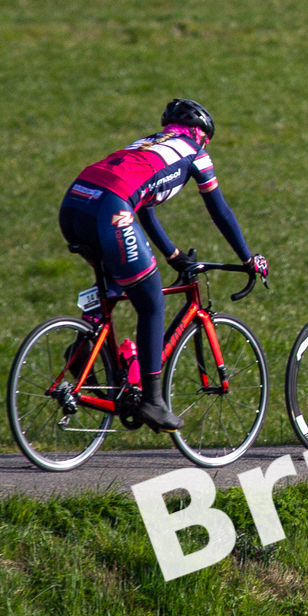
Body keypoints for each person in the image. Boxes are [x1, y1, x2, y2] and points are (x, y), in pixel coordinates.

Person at [59, 98, 267, 432]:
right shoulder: (194, 152)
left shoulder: (145, 144)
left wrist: (172, 255)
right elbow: (220, 211)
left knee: (116, 281)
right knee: (152, 302)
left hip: (75, 201)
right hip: (110, 207)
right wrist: (248, 258)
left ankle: (84, 345)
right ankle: (153, 402)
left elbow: (144, 204)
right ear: (200, 134)